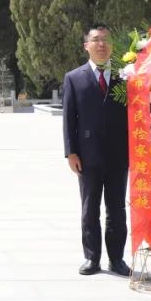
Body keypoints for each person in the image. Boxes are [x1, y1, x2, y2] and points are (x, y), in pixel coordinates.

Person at [61, 23, 130, 277]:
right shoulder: (74, 78)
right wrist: (71, 152)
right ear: (86, 46)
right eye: (96, 40)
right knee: (90, 208)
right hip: (87, 155)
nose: (101, 44)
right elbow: (69, 118)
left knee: (117, 210)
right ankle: (92, 258)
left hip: (118, 154)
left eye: (106, 40)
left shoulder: (126, 75)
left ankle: (117, 259)